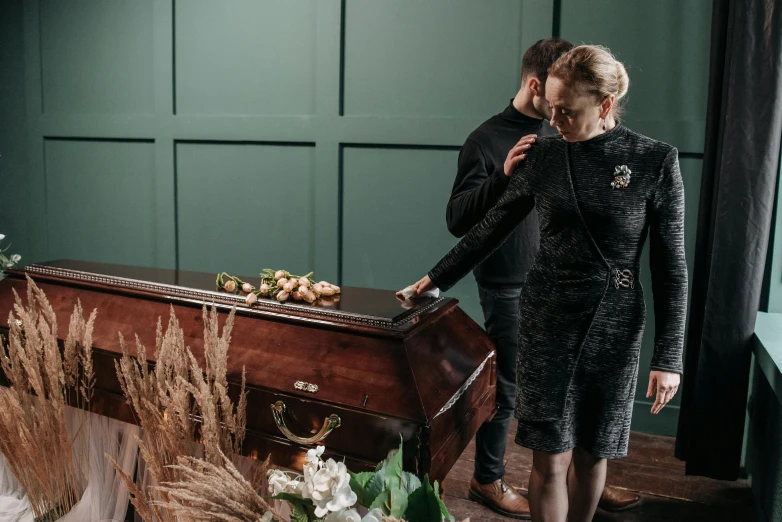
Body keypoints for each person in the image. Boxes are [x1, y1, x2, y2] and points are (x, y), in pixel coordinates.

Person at [399, 45, 686, 522]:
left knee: (594, 451)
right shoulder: (543, 155)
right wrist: (432, 280)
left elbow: (671, 269)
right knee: (549, 454)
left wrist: (669, 357)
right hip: (547, 319)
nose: (554, 120)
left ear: (605, 106)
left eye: (567, 111)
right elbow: (489, 230)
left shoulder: (654, 161)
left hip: (614, 326)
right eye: (550, 107)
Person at [445, 39, 642, 520]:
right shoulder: (486, 140)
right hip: (509, 283)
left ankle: (583, 478)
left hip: (563, 286)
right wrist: (502, 179)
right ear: (537, 85)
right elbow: (457, 219)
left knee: (575, 390)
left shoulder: (572, 132)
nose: (559, 113)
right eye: (553, 100)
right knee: (510, 386)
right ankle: (486, 479)